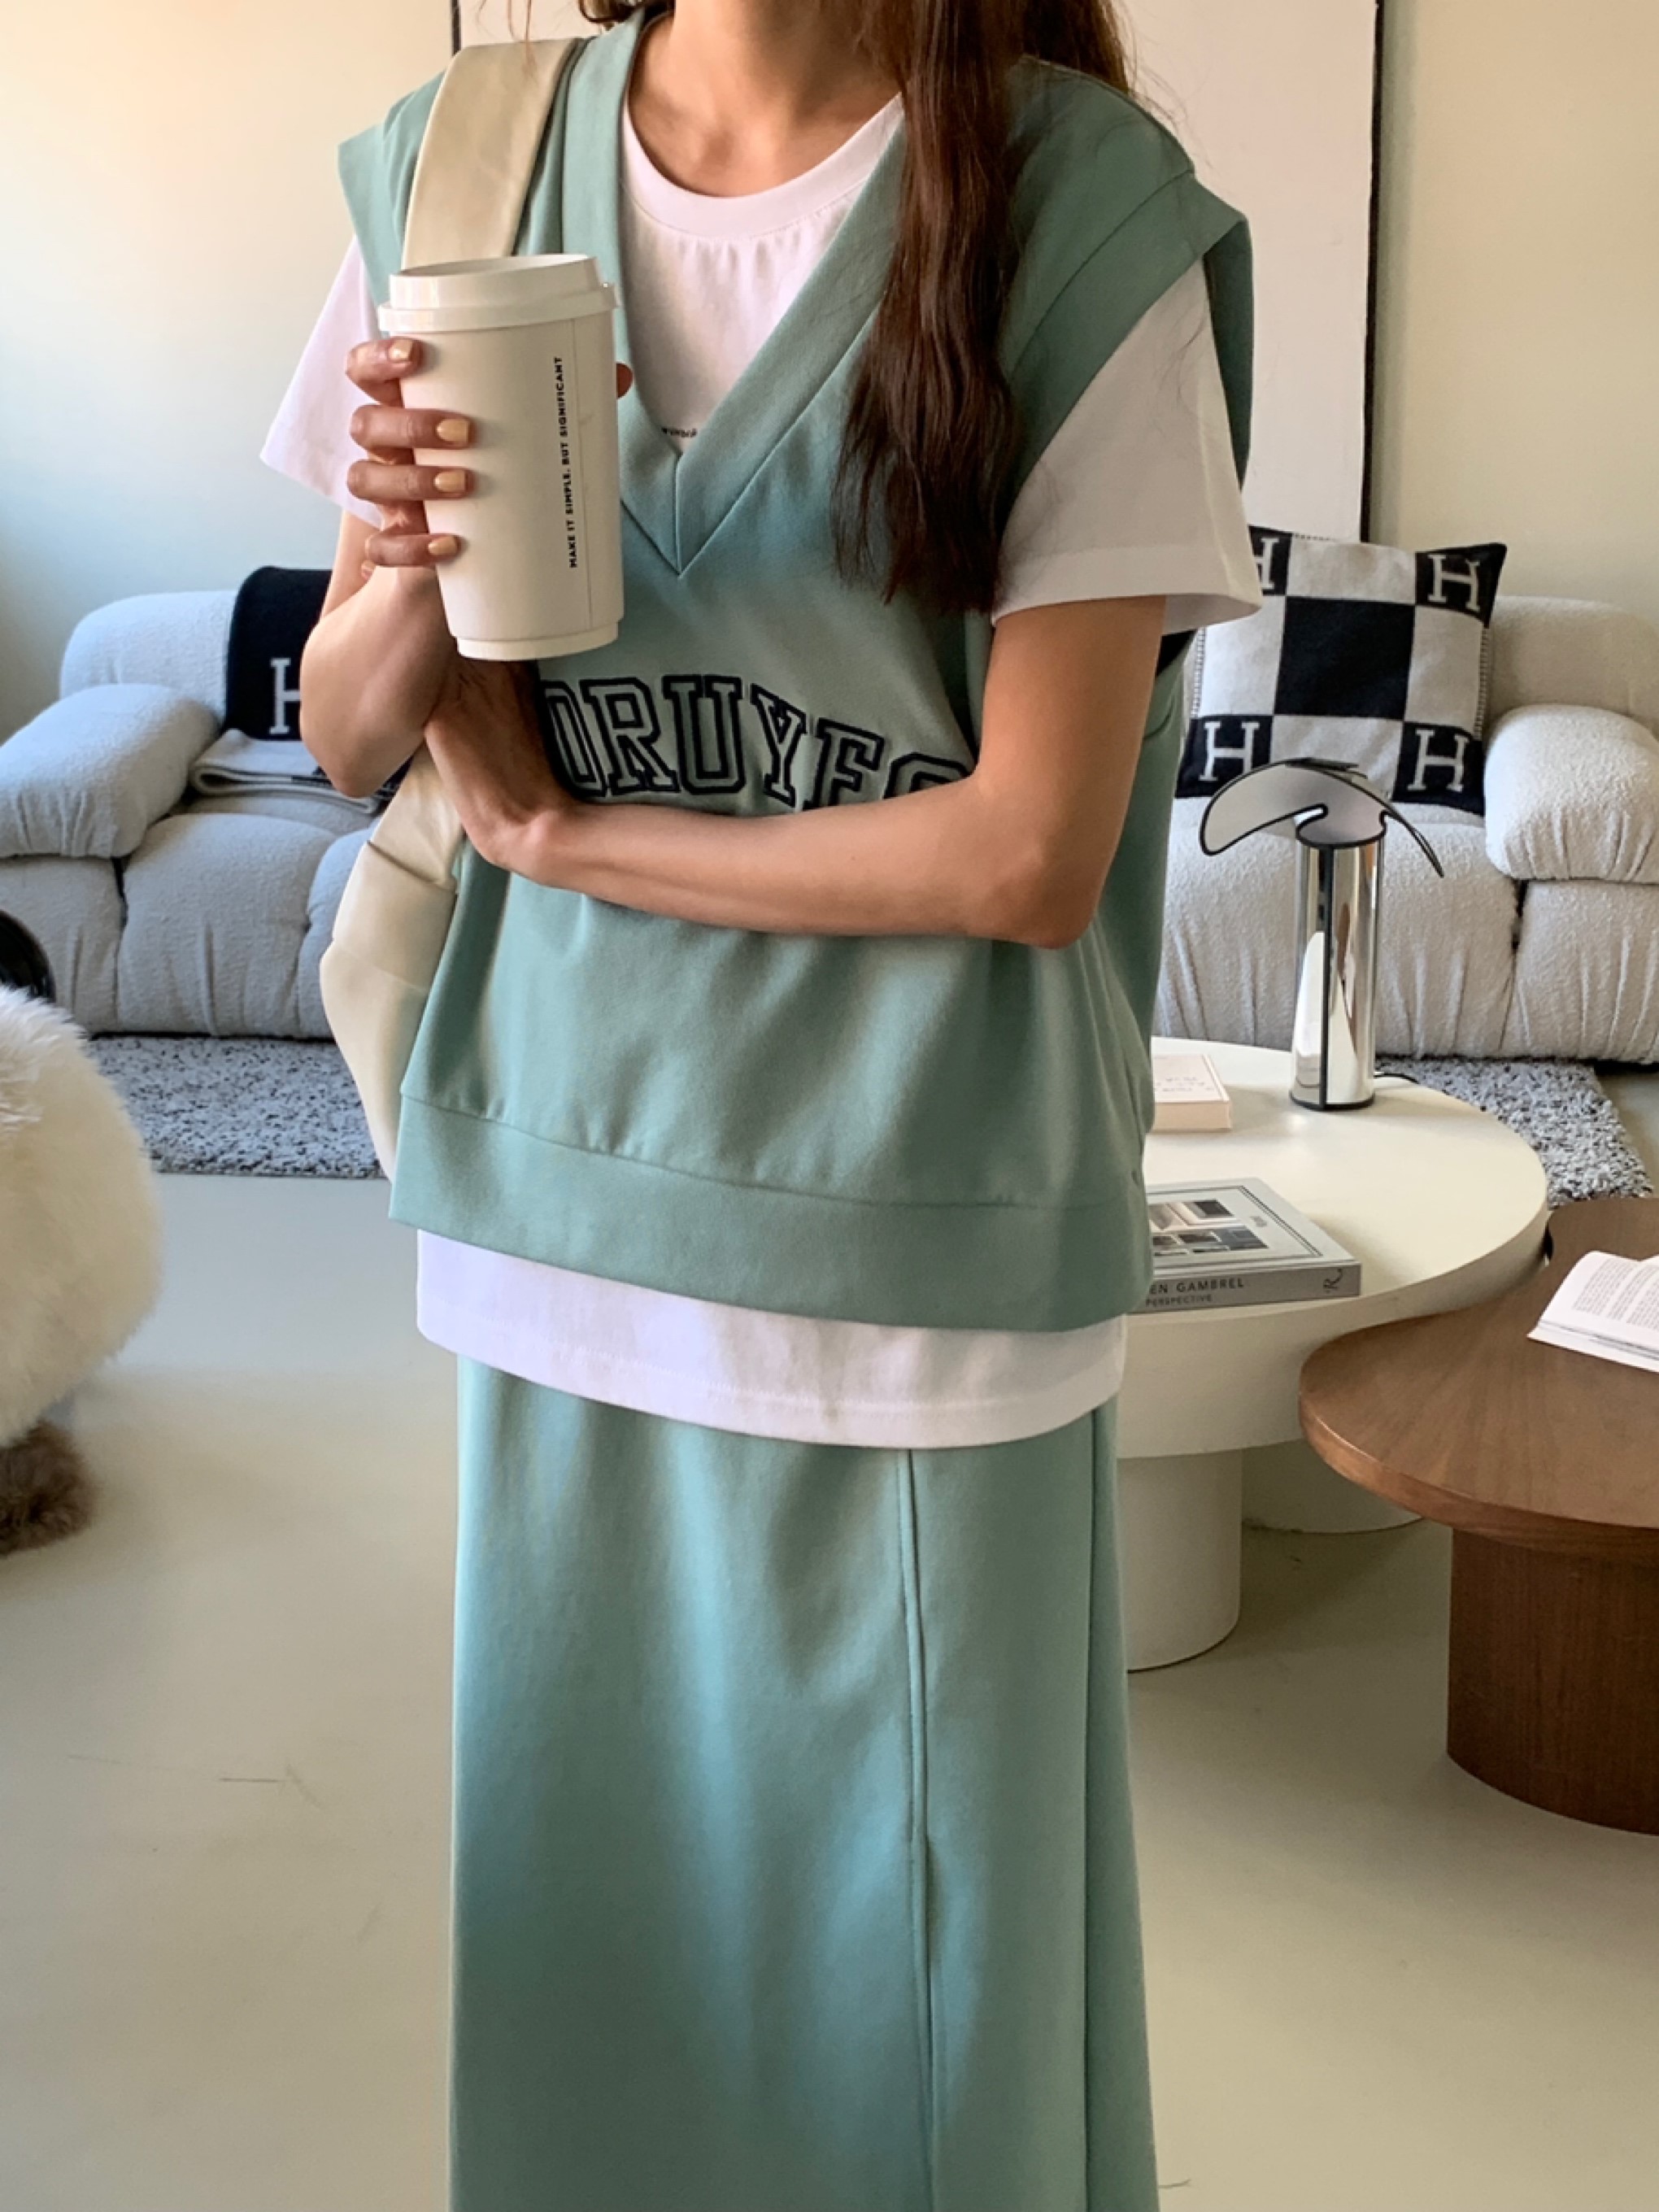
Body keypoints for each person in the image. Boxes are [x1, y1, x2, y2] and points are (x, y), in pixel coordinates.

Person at [266, 2, 1260, 2205]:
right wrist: (412, 559)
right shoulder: (464, 158)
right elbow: (341, 721)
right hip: (564, 1205)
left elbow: (1030, 854)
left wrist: (570, 840)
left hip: (915, 1250)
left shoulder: (1076, 207)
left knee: (916, 2040)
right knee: (592, 1991)